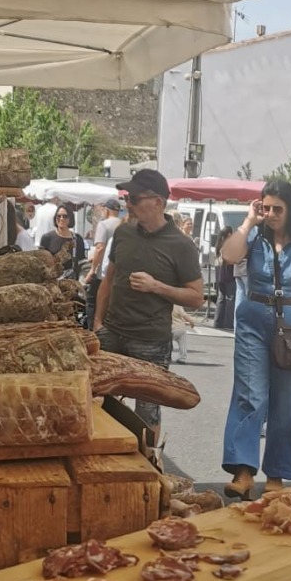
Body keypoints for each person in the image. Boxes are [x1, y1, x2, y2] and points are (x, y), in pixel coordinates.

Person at [221, 180, 291, 498]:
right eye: (266, 208)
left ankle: (276, 476)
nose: (270, 214)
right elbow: (229, 256)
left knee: (286, 400)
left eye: (277, 209)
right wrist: (248, 221)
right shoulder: (255, 235)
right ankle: (243, 472)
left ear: (290, 209)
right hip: (253, 319)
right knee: (249, 393)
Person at [93, 169, 203, 436]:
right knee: (97, 400)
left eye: (133, 198)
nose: (128, 204)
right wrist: (97, 323)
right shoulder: (123, 233)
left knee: (148, 410)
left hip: (151, 340)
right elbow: (109, 280)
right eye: (126, 198)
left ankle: (150, 459)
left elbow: (196, 297)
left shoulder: (181, 245)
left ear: (157, 202)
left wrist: (157, 287)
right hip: (112, 332)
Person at [83, 198, 122, 330]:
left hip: (103, 274)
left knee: (92, 301)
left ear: (106, 210)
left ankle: (92, 331)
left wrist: (92, 269)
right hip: (119, 274)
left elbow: (100, 248)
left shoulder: (104, 225)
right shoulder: (123, 225)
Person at [39, 205, 85, 278]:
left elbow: (81, 262)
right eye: (58, 216)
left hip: (71, 281)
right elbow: (41, 262)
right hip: (52, 280)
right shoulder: (47, 238)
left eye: (65, 216)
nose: (61, 218)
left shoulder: (77, 239)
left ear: (70, 218)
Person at [214, 227, 237, 331]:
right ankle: (228, 323)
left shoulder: (219, 244)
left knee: (221, 298)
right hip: (228, 273)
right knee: (230, 298)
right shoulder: (229, 245)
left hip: (220, 274)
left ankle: (218, 322)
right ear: (229, 234)